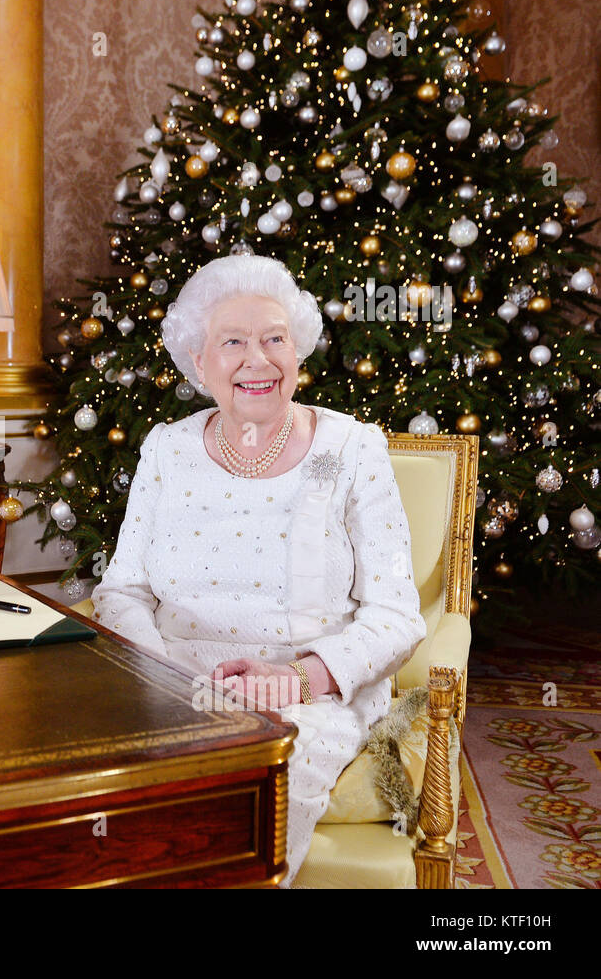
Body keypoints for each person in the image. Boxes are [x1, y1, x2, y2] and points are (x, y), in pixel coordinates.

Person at [90, 255, 426, 887]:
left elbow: (395, 615)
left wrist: (299, 679)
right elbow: (124, 589)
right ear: (197, 362)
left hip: (302, 696)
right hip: (170, 680)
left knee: (252, 787)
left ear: (297, 353)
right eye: (233, 341)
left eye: (275, 339)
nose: (258, 360)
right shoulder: (167, 448)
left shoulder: (352, 450)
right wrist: (160, 674)